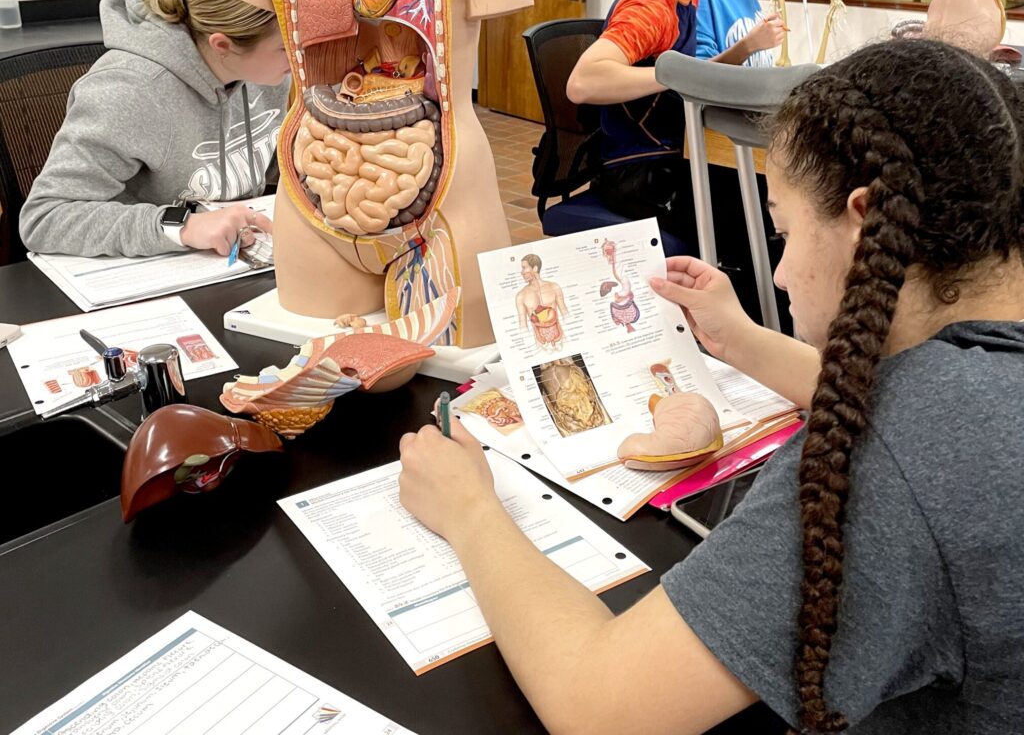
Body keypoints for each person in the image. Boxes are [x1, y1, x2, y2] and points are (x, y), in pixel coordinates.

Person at [399, 37, 1024, 734]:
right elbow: (928, 406)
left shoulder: (904, 457)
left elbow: (599, 706)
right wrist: (740, 339)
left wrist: (468, 509)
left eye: (784, 233)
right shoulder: (979, 385)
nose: (780, 277)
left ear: (866, 221)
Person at [20, 0, 291, 258]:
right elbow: (44, 218)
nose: (300, 56)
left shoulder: (266, 72)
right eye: (285, 47)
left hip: (233, 256)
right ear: (223, 45)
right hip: (149, 270)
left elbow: (269, 167)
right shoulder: (131, 90)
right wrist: (184, 226)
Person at [566, 0, 760, 241]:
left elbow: (686, 76)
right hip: (636, 173)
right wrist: (675, 76)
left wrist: (744, 49)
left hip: (666, 158)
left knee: (759, 199)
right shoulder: (651, 8)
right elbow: (582, 82)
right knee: (752, 220)